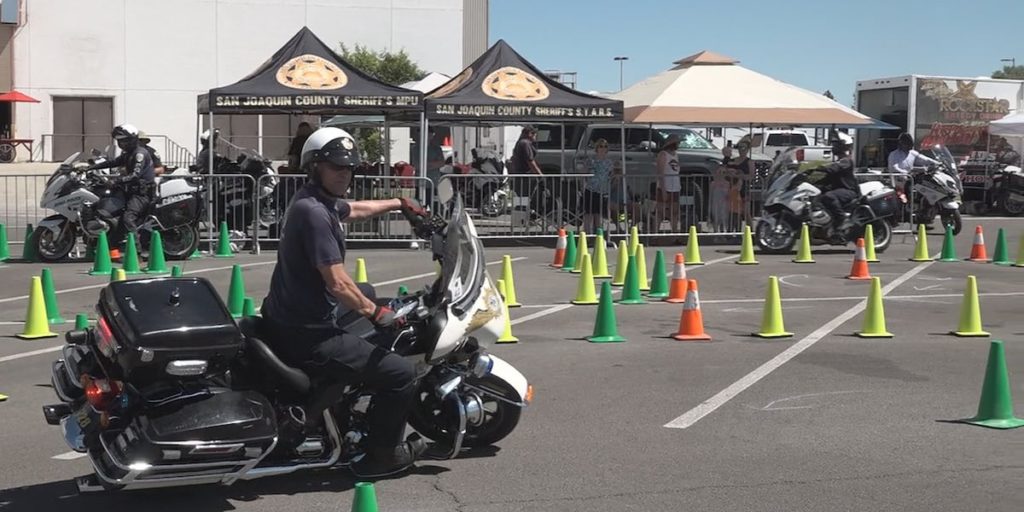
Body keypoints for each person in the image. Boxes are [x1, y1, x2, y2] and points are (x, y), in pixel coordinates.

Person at [260, 127, 427, 478]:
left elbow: (357, 209)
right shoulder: (316, 215)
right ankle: (381, 456)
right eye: (336, 167)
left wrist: (399, 203)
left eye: (349, 168)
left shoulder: (314, 201)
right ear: (315, 167)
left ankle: (344, 395)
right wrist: (379, 314)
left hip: (288, 315)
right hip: (309, 334)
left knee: (363, 288)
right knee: (401, 373)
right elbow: (336, 283)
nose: (344, 173)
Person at [86, 124, 156, 250]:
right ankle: (113, 248)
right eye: (119, 141)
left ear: (132, 139)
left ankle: (136, 252)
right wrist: (90, 167)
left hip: (142, 193)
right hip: (131, 191)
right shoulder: (128, 153)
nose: (121, 144)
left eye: (124, 140)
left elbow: (135, 175)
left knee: (128, 218)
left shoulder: (139, 154)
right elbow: (113, 162)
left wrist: (116, 181)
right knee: (115, 214)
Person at [817, 132, 860, 242]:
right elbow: (828, 178)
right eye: (834, 145)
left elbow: (833, 169)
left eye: (836, 145)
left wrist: (818, 167)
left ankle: (842, 219)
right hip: (839, 190)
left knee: (829, 196)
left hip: (848, 191)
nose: (833, 147)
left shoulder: (846, 160)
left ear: (843, 146)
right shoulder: (839, 160)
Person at [582, 138, 613, 233]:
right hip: (591, 189)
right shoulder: (591, 161)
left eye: (605, 146)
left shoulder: (609, 162)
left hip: (602, 191)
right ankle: (587, 234)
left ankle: (599, 235)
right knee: (589, 214)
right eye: (600, 146)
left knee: (599, 215)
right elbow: (584, 173)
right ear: (597, 148)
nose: (603, 148)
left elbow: (612, 175)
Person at [654, 134, 682, 233]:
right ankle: (655, 234)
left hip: (675, 187)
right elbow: (660, 173)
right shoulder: (663, 154)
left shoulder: (676, 154)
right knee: (660, 212)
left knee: (674, 212)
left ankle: (674, 233)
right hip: (665, 187)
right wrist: (663, 189)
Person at [726, 137, 756, 225]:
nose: (741, 150)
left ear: (747, 149)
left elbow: (751, 176)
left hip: (744, 188)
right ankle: (732, 232)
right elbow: (725, 171)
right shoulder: (733, 161)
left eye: (744, 148)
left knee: (746, 212)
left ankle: (751, 232)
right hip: (732, 188)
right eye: (740, 147)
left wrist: (740, 175)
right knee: (733, 212)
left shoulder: (749, 162)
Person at [509, 125, 543, 200]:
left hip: (520, 175)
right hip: (524, 176)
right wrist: (540, 175)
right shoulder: (525, 143)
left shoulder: (520, 142)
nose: (535, 136)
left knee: (522, 197)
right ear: (530, 134)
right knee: (525, 197)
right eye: (534, 134)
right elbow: (530, 161)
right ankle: (524, 210)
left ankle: (523, 209)